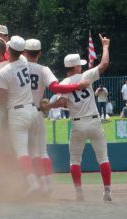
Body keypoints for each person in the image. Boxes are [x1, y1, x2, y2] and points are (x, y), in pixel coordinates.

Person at [41, 34, 112, 202]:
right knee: (103, 158)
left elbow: (62, 102)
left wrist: (47, 107)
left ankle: (79, 192)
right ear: (76, 67)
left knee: (75, 160)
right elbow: (104, 64)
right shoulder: (87, 75)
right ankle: (107, 190)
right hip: (94, 121)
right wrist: (106, 46)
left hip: (78, 124)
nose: (81, 67)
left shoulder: (65, 82)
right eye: (80, 65)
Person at [23, 38, 89, 193]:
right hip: (36, 111)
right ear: (39, 53)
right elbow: (55, 87)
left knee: (26, 152)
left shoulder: (17, 66)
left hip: (18, 112)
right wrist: (76, 86)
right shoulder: (43, 69)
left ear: (24, 53)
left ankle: (31, 183)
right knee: (42, 151)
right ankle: (46, 184)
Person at [0, 35, 40, 195]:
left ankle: (32, 183)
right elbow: (16, 50)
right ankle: (42, 182)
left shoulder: (4, 71)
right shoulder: (25, 62)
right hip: (32, 110)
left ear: (8, 50)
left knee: (21, 152)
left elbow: (0, 98)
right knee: (34, 151)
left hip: (17, 113)